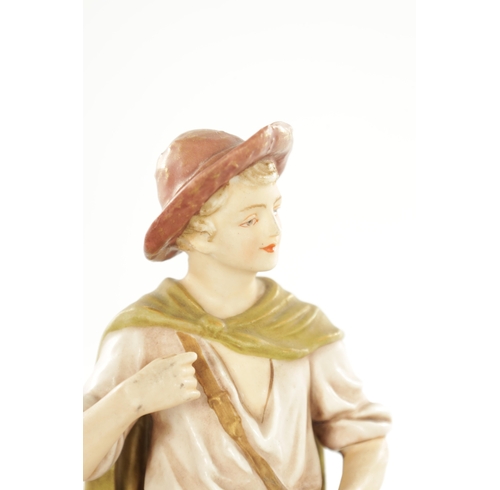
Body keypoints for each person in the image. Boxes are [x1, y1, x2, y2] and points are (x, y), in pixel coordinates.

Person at [83, 122, 391, 490]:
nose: (274, 230)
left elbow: (366, 439)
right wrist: (133, 397)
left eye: (275, 209)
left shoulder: (304, 329)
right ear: (198, 235)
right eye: (250, 220)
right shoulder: (143, 334)